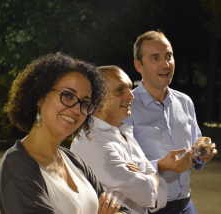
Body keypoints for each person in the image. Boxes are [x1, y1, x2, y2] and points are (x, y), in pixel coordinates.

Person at [0, 53, 130, 214]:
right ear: (39, 96)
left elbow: (122, 210)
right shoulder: (17, 164)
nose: (76, 109)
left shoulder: (74, 161)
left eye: (85, 103)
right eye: (67, 95)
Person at [123, 31, 218, 214]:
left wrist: (201, 156)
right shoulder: (127, 107)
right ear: (138, 65)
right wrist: (161, 165)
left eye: (169, 56)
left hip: (187, 206)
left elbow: (194, 150)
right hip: (149, 209)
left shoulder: (185, 102)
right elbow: (122, 166)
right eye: (155, 58)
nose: (165, 64)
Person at [71, 65, 168, 214]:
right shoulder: (91, 142)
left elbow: (160, 197)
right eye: (120, 90)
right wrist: (152, 178)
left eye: (129, 88)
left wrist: (147, 178)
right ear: (97, 99)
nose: (131, 96)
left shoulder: (122, 132)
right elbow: (148, 195)